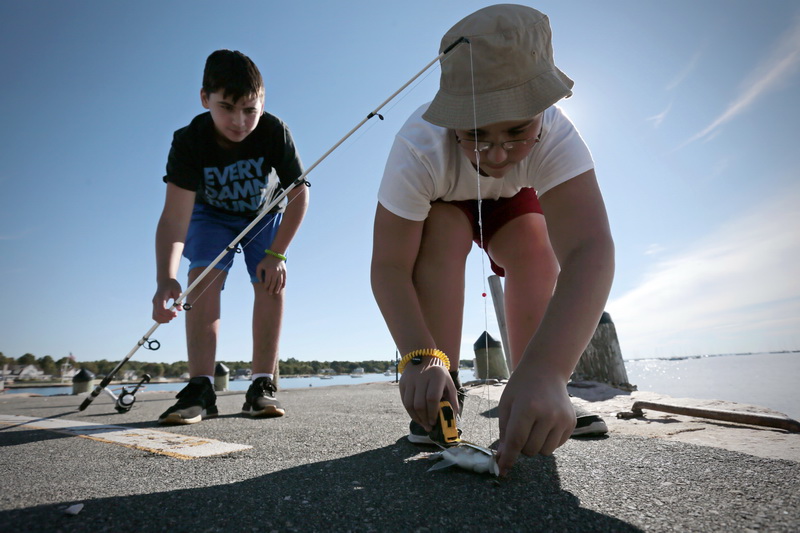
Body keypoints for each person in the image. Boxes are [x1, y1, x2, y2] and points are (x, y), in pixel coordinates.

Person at [370, 5, 614, 476]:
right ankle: (440, 394)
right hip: (447, 206)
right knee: (442, 233)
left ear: (543, 110)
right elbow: (389, 267)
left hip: (512, 205)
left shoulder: (559, 136)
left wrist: (550, 371)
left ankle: (535, 387)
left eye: (518, 132)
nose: (498, 153)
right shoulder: (418, 148)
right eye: (475, 135)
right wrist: (419, 355)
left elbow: (590, 249)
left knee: (534, 244)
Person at [153, 49, 309, 425]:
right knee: (202, 277)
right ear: (205, 98)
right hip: (210, 216)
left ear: (263, 102)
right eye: (227, 108)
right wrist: (165, 278)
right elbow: (175, 218)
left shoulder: (274, 131)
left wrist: (277, 254)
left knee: (270, 281)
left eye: (250, 110)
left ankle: (260, 384)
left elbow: (300, 194)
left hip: (263, 214)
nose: (240, 122)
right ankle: (201, 388)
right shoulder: (189, 141)